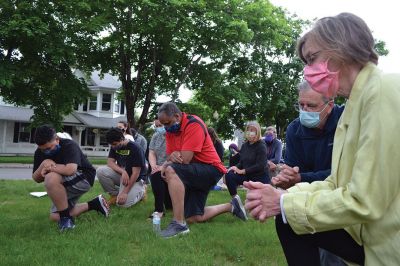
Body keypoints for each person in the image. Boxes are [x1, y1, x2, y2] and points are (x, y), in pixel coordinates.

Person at [245, 13, 400, 266]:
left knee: (289, 219)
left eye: (312, 58)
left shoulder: (382, 90)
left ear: (342, 46)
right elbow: (335, 182)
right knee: (289, 221)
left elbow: (364, 201)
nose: (307, 70)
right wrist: (278, 196)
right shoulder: (354, 105)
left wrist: (285, 204)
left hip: (388, 244)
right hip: (369, 233)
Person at [272, 80, 345, 266]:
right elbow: (294, 170)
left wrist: (302, 177)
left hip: (343, 195)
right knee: (286, 219)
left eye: (311, 106)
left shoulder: (345, 122)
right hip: (309, 194)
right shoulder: (294, 129)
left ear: (330, 105)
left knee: (332, 258)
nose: (304, 110)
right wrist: (286, 177)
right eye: (301, 104)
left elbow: (345, 173)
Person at [158, 102, 247, 238]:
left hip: (211, 169)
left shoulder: (193, 124)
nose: (166, 127)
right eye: (163, 124)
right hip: (194, 171)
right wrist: (171, 158)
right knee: (193, 217)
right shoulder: (171, 131)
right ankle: (231, 206)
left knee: (171, 170)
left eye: (167, 123)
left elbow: (185, 159)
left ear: (177, 116)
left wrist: (171, 160)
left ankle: (178, 224)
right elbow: (171, 155)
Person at [32, 125, 109, 231]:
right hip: (65, 179)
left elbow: (70, 170)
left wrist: (51, 168)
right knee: (54, 216)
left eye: (49, 148)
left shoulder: (69, 145)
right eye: (43, 150)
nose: (46, 152)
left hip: (84, 178)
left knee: (50, 178)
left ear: (57, 140)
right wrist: (44, 164)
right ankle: (95, 204)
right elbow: (36, 178)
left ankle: (66, 221)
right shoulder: (40, 152)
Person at [97, 128, 147, 207]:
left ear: (121, 139)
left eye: (115, 144)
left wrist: (125, 192)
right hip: (123, 176)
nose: (113, 146)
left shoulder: (135, 148)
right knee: (100, 171)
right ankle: (115, 195)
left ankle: (141, 193)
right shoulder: (115, 147)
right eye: (111, 145)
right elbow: (110, 162)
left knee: (122, 204)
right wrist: (123, 171)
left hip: (136, 179)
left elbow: (136, 174)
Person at [225, 121, 269, 198]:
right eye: (248, 130)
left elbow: (260, 165)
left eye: (252, 130)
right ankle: (236, 200)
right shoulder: (245, 146)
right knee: (229, 174)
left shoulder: (261, 145)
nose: (249, 132)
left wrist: (243, 171)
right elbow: (242, 162)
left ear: (257, 132)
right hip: (247, 176)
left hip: (259, 177)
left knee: (257, 201)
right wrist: (235, 167)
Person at [148, 119, 172, 219]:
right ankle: (159, 209)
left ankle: (163, 208)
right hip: (159, 167)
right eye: (156, 126)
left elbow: (179, 156)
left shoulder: (174, 136)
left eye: (160, 125)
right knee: (155, 174)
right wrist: (154, 166)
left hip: (173, 166)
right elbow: (152, 152)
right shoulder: (156, 136)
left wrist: (163, 167)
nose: (158, 128)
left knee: (157, 174)